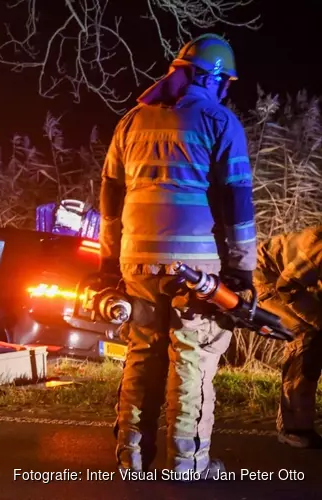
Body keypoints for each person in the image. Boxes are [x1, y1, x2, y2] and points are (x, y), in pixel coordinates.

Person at [98, 34, 257, 478]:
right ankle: (187, 464)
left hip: (136, 263)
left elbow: (109, 199)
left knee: (143, 353)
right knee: (194, 355)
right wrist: (242, 271)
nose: (226, 91)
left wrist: (108, 263)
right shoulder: (220, 122)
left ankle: (131, 461)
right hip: (196, 268)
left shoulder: (131, 121)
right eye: (225, 82)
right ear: (213, 78)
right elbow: (237, 204)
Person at [254, 225, 322, 448]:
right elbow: (287, 286)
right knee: (306, 337)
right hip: (270, 277)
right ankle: (293, 427)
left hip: (301, 281)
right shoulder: (319, 247)